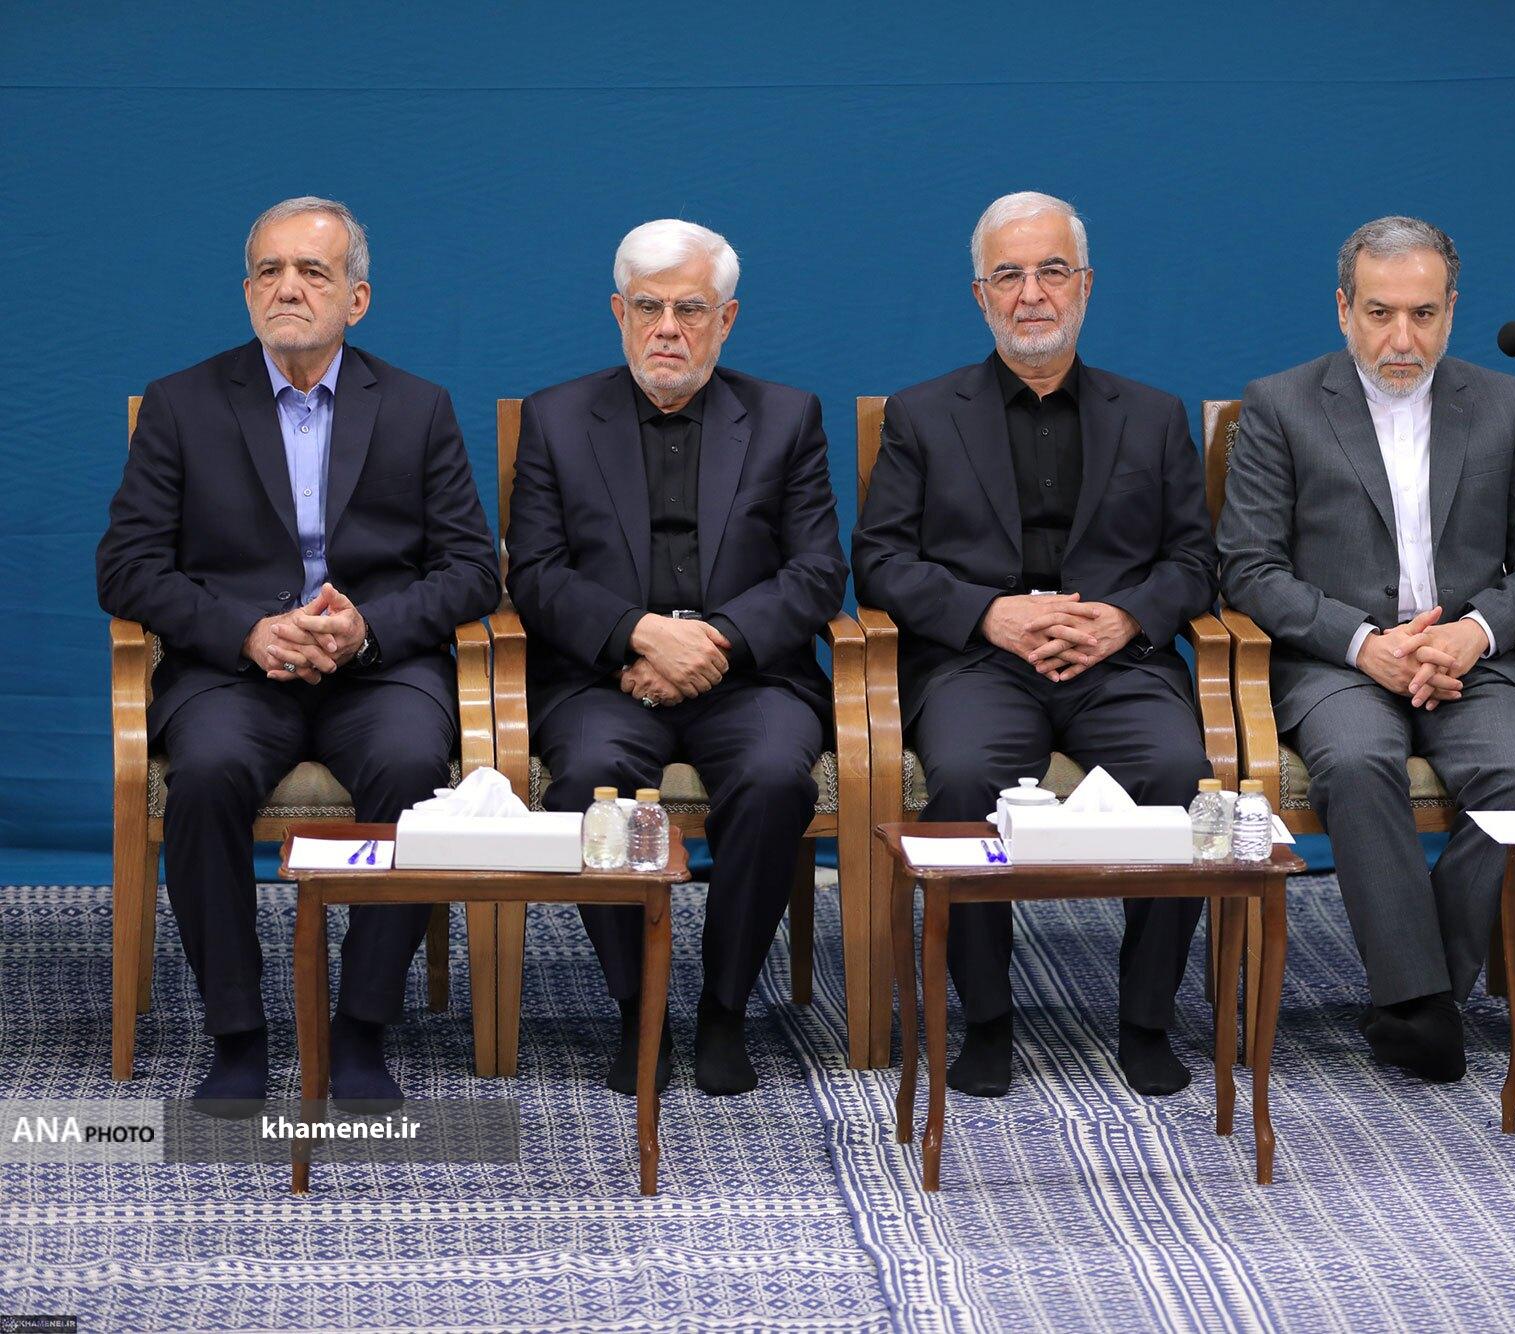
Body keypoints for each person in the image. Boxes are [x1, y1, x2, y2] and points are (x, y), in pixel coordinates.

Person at [97, 196, 500, 1108]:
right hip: (232, 672)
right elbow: (125, 568)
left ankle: (360, 1029)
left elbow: (474, 570)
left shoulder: (418, 407)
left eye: (313, 271)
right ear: (247, 292)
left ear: (357, 299)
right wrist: (247, 631)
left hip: (378, 669)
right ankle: (237, 1035)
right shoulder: (181, 404)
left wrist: (366, 629)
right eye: (270, 271)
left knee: (411, 767)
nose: (288, 288)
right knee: (205, 777)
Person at [852, 191, 1217, 1098]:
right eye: (1008, 275)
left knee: (1179, 772)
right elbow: (880, 561)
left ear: (1085, 285)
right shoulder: (923, 414)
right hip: (980, 662)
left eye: (1052, 271)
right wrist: (989, 613)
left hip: (1116, 663)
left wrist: (1125, 618)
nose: (1032, 294)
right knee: (965, 778)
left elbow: (1195, 560)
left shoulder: (1152, 414)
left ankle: (1146, 1018)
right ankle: (986, 1019)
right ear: (980, 295)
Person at [1217, 215, 1515, 1083]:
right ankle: (1420, 1005)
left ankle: (1419, 991)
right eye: (1380, 314)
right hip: (1336, 659)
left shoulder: (1504, 405)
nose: (1402, 338)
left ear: (1452, 311)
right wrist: (1363, 643)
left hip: (1469, 656)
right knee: (1357, 763)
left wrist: (1471, 633)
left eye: (1423, 314)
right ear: (1345, 310)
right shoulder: (1280, 404)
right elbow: (1248, 568)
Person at [506, 219, 846, 1097]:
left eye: (690, 309)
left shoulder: (785, 417)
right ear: (618, 313)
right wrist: (639, 633)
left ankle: (725, 1009)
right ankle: (638, 1008)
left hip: (750, 673)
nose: (668, 329)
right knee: (589, 781)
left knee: (773, 777)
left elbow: (817, 571)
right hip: (605, 675)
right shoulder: (555, 418)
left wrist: (715, 640)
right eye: (648, 307)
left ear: (725, 319)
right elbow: (534, 573)